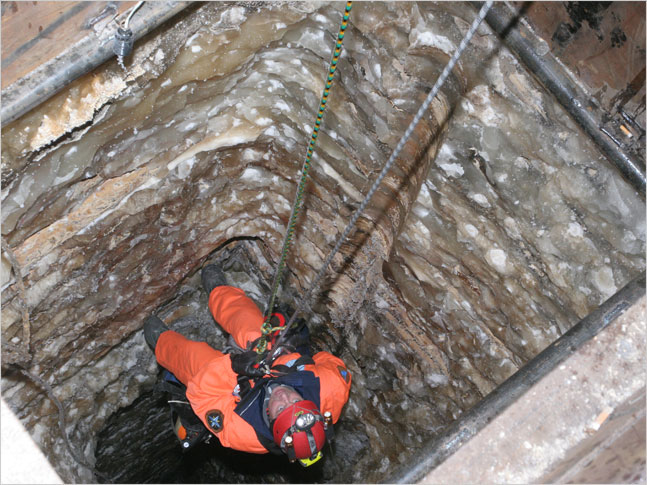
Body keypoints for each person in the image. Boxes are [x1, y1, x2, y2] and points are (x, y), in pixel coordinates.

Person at [143, 264, 352, 466]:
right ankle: (219, 291)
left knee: (198, 363)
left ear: (270, 419)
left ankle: (162, 342)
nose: (284, 396)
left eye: (280, 408)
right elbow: (326, 360)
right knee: (253, 331)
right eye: (295, 400)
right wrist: (289, 356)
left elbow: (202, 394)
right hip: (279, 365)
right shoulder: (330, 387)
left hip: (237, 392)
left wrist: (234, 365)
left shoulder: (243, 432)